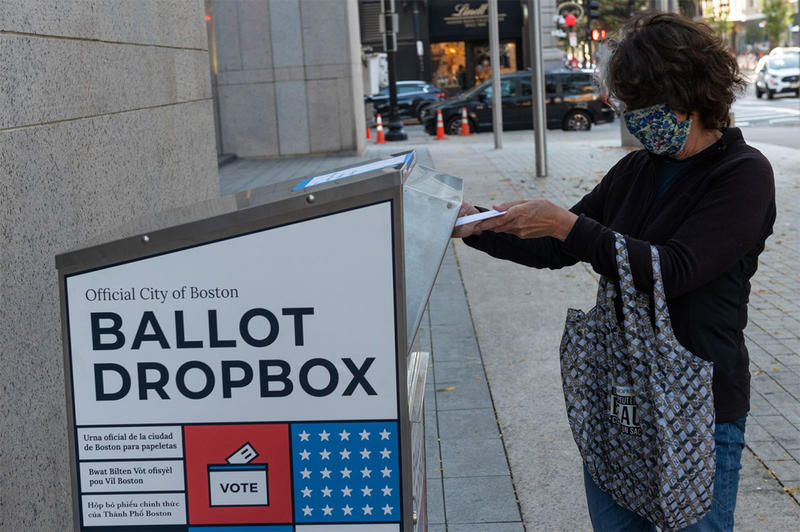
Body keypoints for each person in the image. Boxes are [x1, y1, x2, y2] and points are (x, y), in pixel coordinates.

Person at [452, 11, 775, 531]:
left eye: (640, 105)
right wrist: (480, 227)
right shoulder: (636, 170)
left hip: (697, 406)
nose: (631, 118)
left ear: (687, 98)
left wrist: (566, 225)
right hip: (622, 401)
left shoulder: (743, 175)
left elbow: (672, 270)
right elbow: (557, 248)